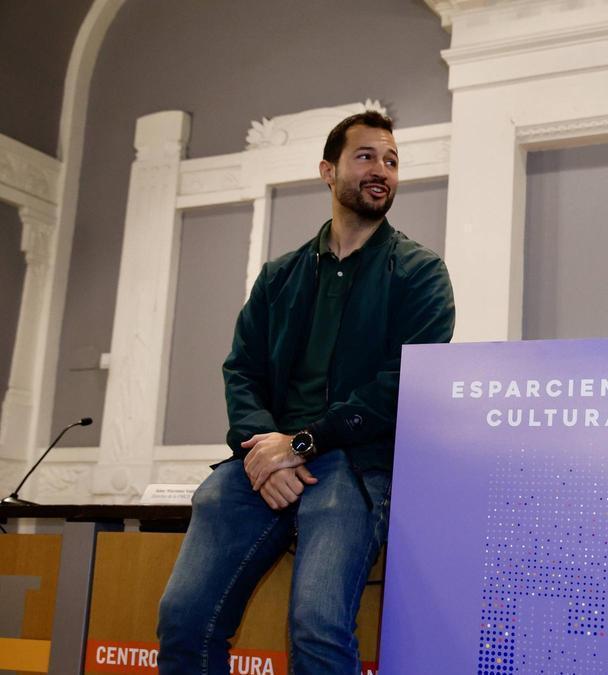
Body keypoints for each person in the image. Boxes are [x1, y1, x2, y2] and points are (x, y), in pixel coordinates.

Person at [157, 110, 455, 673]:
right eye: (366, 156)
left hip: (352, 465)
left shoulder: (420, 274)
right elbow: (241, 369)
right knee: (183, 618)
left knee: (316, 627)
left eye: (391, 161)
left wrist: (302, 445)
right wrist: (265, 449)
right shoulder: (279, 276)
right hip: (262, 461)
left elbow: (403, 386)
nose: (382, 170)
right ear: (328, 170)